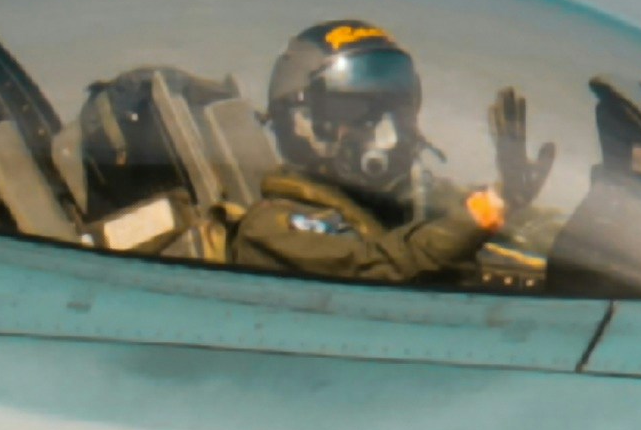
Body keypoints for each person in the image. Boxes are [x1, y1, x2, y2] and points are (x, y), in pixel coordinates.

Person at [219, 19, 514, 285]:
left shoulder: (386, 208)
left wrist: (512, 199)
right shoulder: (271, 229)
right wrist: (484, 213)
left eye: (391, 111)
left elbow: (453, 211)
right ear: (301, 124)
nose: (385, 130)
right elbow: (377, 267)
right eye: (357, 112)